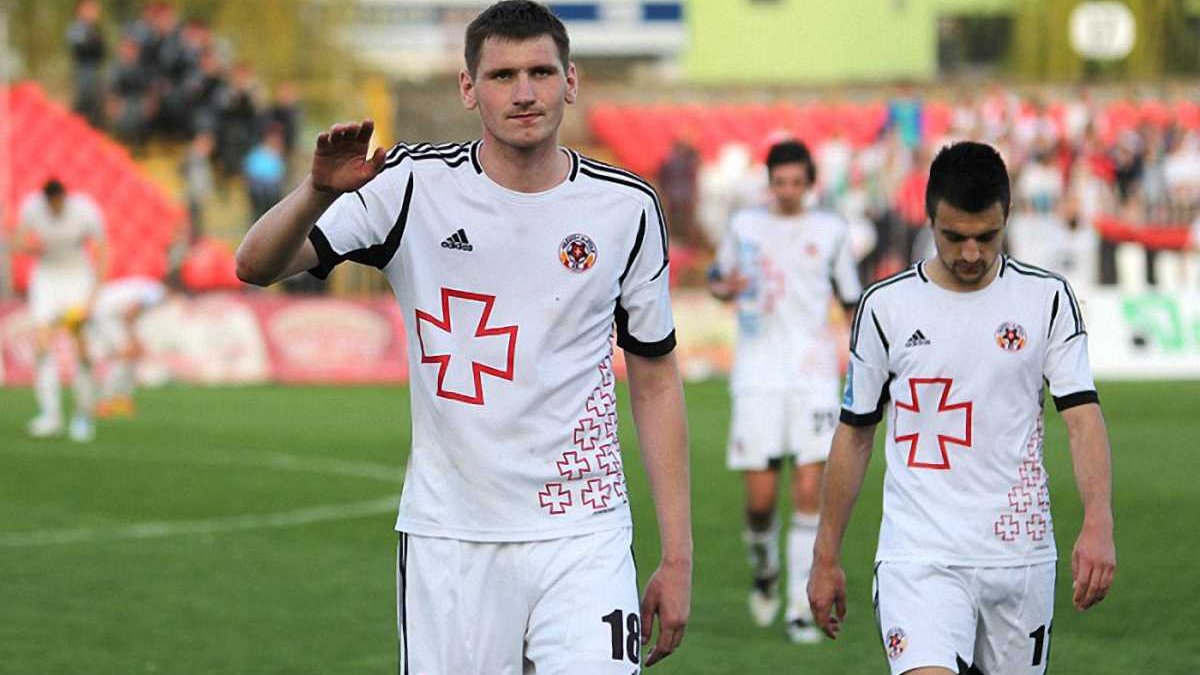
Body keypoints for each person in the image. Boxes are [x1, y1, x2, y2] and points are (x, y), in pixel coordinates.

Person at [234, 2, 691, 672]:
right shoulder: (410, 186)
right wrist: (315, 192)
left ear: (571, 80)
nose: (525, 92)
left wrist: (678, 556)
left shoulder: (626, 208)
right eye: (503, 75)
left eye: (541, 71)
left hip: (584, 531)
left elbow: (655, 381)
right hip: (451, 537)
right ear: (468, 88)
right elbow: (255, 265)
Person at [809, 141, 1116, 675]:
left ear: (1007, 218)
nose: (971, 253)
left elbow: (1082, 418)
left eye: (986, 237)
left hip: (1019, 556)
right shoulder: (886, 307)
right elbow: (855, 433)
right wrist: (825, 554)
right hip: (918, 554)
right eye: (954, 237)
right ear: (929, 219)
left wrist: (1098, 521)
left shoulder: (1046, 300)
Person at [708, 140, 861, 643]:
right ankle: (764, 568)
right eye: (780, 182)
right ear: (769, 182)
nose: (789, 190)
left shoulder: (831, 231)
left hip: (814, 376)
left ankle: (799, 603)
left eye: (797, 182)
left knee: (809, 491)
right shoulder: (745, 225)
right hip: (757, 374)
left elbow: (852, 300)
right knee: (760, 500)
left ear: (810, 184)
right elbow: (717, 279)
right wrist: (723, 287)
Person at [14, 179, 107, 441]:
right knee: (43, 344)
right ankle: (50, 416)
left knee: (82, 347)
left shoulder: (85, 210)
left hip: (77, 277)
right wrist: (30, 246)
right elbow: (18, 240)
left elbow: (103, 250)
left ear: (64, 198)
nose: (54, 208)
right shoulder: (32, 208)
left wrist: (93, 296)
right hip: (47, 276)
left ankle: (83, 414)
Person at [86, 275, 168, 418]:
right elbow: (129, 314)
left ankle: (121, 399)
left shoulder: (150, 288)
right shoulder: (157, 293)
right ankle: (104, 401)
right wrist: (133, 338)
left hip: (108, 312)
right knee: (127, 354)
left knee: (131, 356)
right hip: (106, 314)